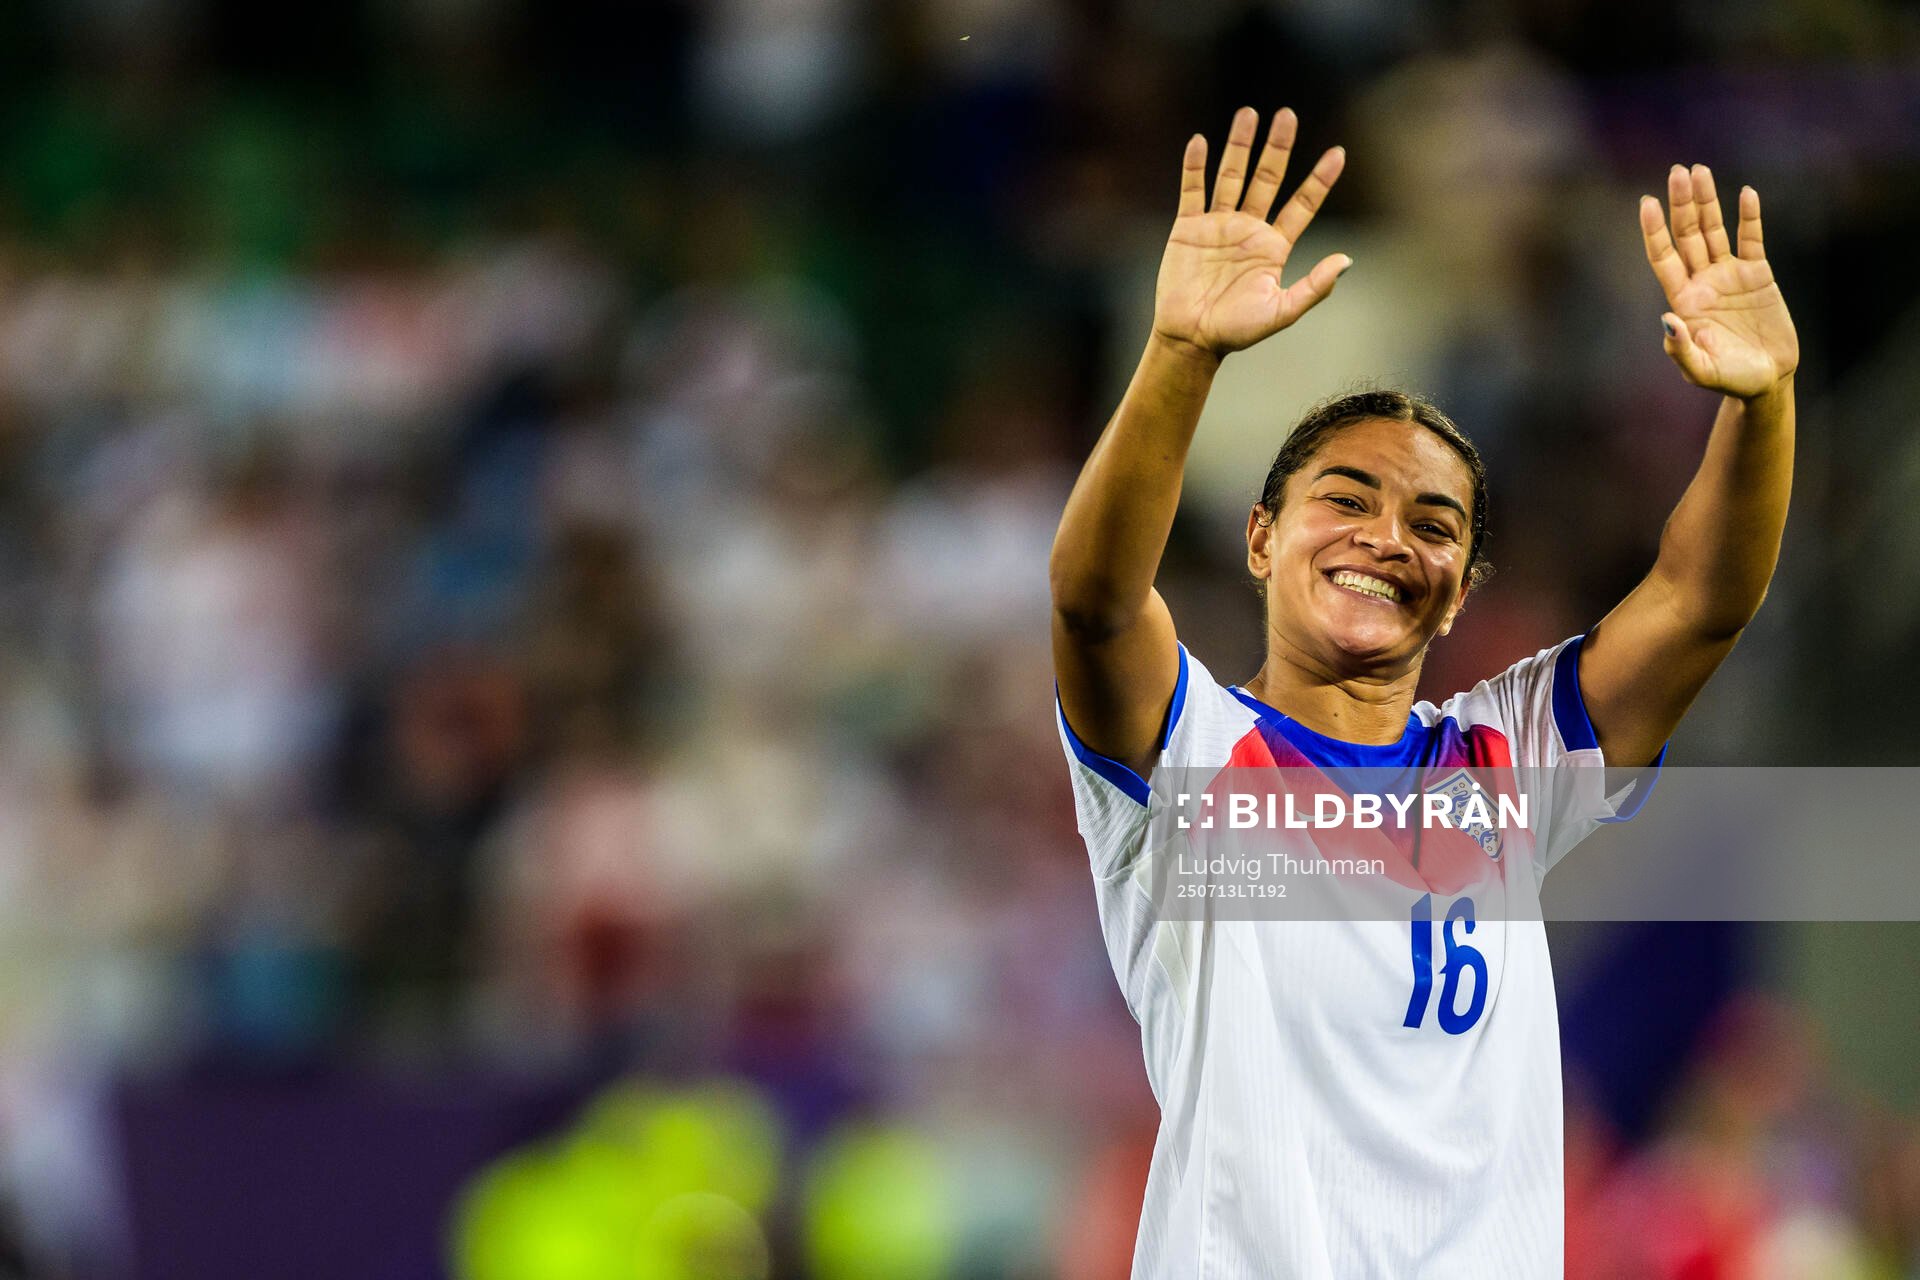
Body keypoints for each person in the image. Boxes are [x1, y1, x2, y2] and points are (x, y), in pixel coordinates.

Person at [1048, 106, 1797, 1276]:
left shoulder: (1503, 760)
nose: (1387, 536)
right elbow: (1094, 599)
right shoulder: (1188, 750)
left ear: (1457, 593)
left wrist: (1761, 405)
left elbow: (1702, 599)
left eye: (1433, 522)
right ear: (1261, 536)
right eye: (1344, 498)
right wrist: (1181, 356)